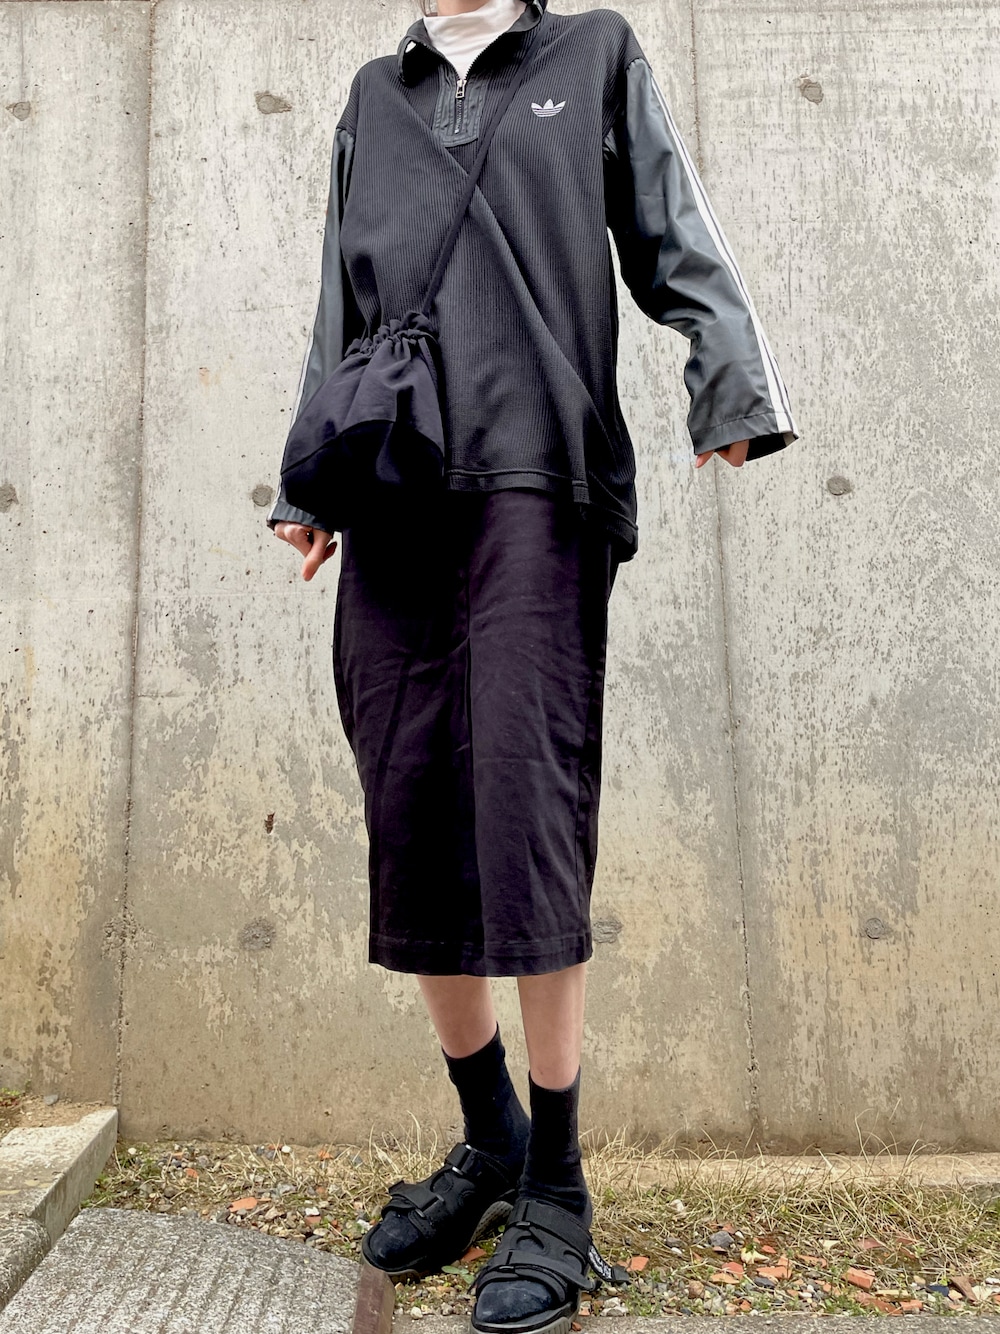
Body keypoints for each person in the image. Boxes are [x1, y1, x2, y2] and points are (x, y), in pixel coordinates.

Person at [268, 0, 798, 1330]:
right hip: (393, 484)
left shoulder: (593, 55)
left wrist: (728, 378)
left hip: (539, 481)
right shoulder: (372, 94)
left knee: (526, 808)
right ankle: (490, 1135)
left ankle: (557, 1182)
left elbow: (671, 230)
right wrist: (309, 481)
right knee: (409, 807)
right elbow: (342, 292)